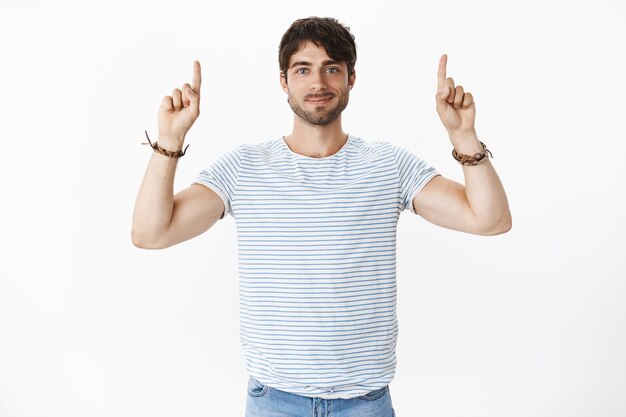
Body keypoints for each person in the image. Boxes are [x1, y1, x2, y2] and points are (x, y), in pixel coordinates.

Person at [132, 16, 511, 417]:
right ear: (284, 80)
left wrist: (463, 137)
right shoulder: (245, 168)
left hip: (364, 402)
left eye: (332, 68)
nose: (318, 83)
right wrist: (170, 141)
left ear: (351, 79)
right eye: (303, 69)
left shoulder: (388, 165)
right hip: (273, 401)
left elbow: (489, 220)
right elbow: (151, 233)